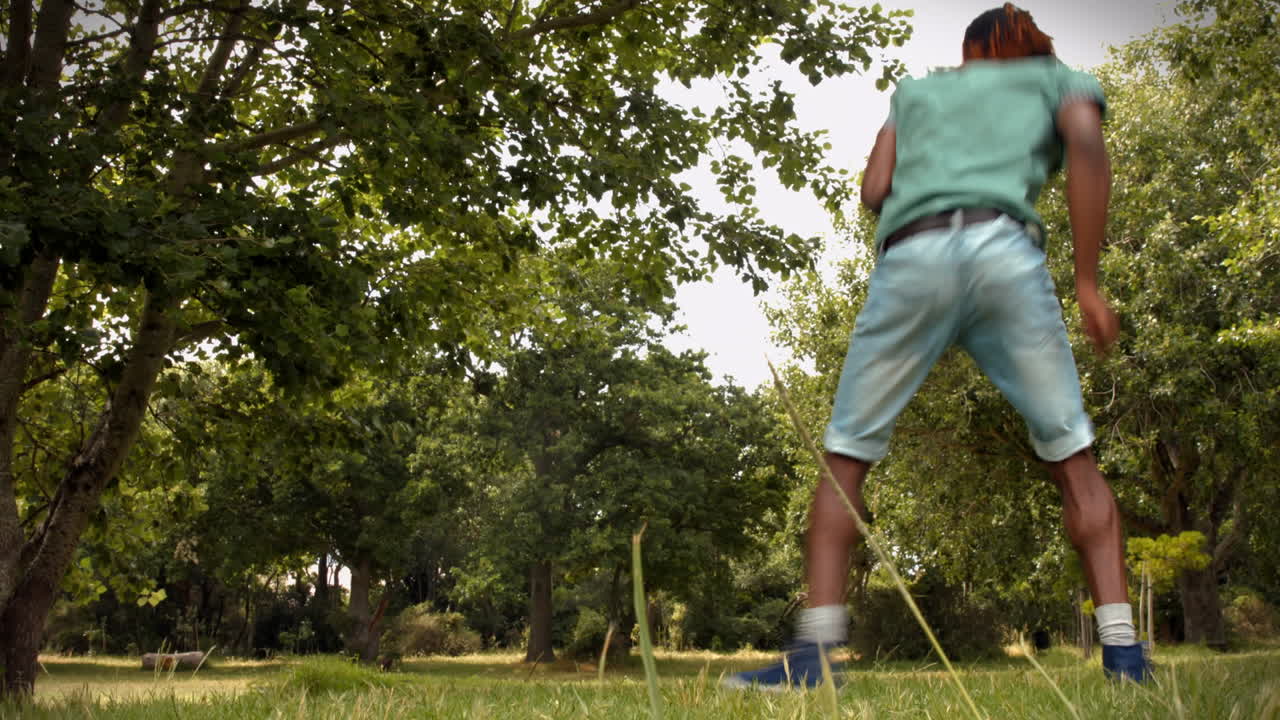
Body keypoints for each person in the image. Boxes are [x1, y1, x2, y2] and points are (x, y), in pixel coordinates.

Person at [725, 3, 1151, 689]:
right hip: (1005, 251)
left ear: (970, 51)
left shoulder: (918, 91)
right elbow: (1088, 148)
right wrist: (1089, 282)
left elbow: (873, 189)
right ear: (1031, 48)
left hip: (913, 257)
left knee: (846, 457)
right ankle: (1124, 655)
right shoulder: (1064, 81)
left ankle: (813, 656)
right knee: (1073, 456)